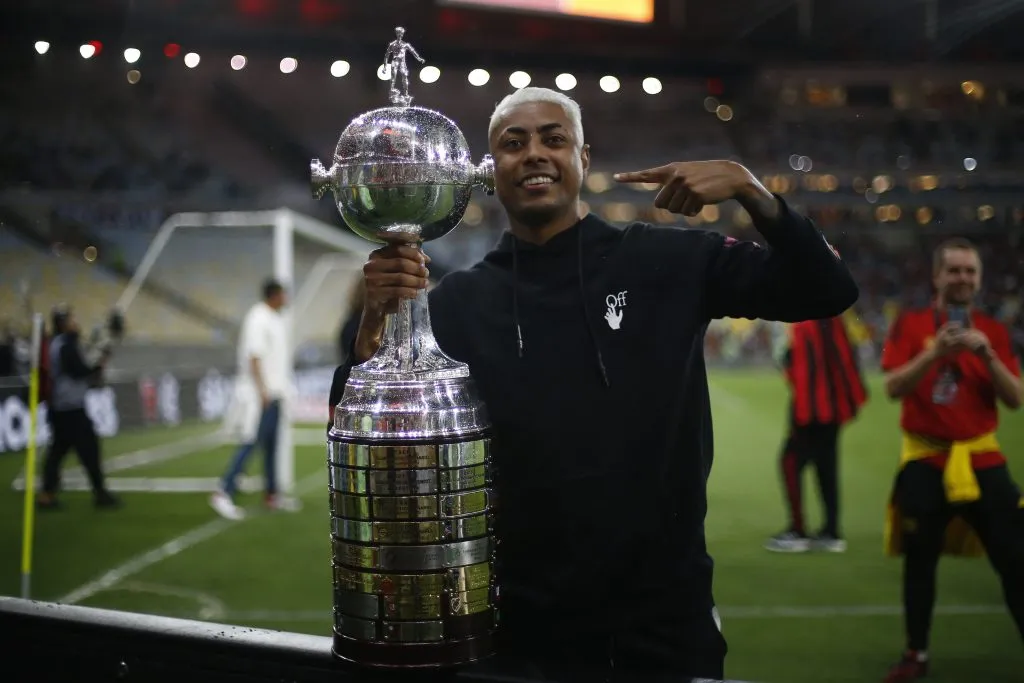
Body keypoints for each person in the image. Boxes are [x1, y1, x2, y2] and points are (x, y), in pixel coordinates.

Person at [329, 87, 858, 680]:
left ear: (583, 159)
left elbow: (828, 289)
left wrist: (749, 189)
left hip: (663, 625)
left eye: (554, 139)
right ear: (487, 169)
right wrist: (376, 321)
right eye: (513, 143)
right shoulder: (455, 304)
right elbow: (358, 430)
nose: (534, 153)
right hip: (518, 634)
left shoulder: (667, 261)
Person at [880, 238, 1023, 683]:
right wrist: (934, 353)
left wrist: (987, 354)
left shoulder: (994, 331)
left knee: (1017, 561)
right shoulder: (912, 324)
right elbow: (892, 387)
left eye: (970, 272)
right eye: (954, 271)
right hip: (927, 461)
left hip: (982, 462)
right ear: (937, 277)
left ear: (979, 279)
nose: (963, 279)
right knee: (919, 563)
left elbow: (1015, 399)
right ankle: (915, 654)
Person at [765, 313, 868, 553]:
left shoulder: (807, 323)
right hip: (833, 407)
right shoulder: (832, 318)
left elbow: (803, 369)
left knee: (790, 462)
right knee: (827, 465)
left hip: (811, 410)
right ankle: (831, 531)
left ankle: (798, 530)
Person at [211, 279, 299, 520]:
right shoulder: (258, 318)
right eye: (284, 294)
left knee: (271, 446)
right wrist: (262, 391)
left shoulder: (275, 318)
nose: (287, 299)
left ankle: (272, 495)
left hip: (274, 393)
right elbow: (254, 356)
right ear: (274, 295)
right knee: (251, 443)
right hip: (261, 395)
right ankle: (223, 491)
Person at [37, 305, 120, 510]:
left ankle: (48, 494)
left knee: (58, 451)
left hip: (62, 407)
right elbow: (79, 371)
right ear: (64, 323)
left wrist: (98, 357)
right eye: (72, 319)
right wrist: (98, 365)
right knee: (88, 450)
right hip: (70, 408)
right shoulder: (64, 345)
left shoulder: (58, 344)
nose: (76, 323)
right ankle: (100, 494)